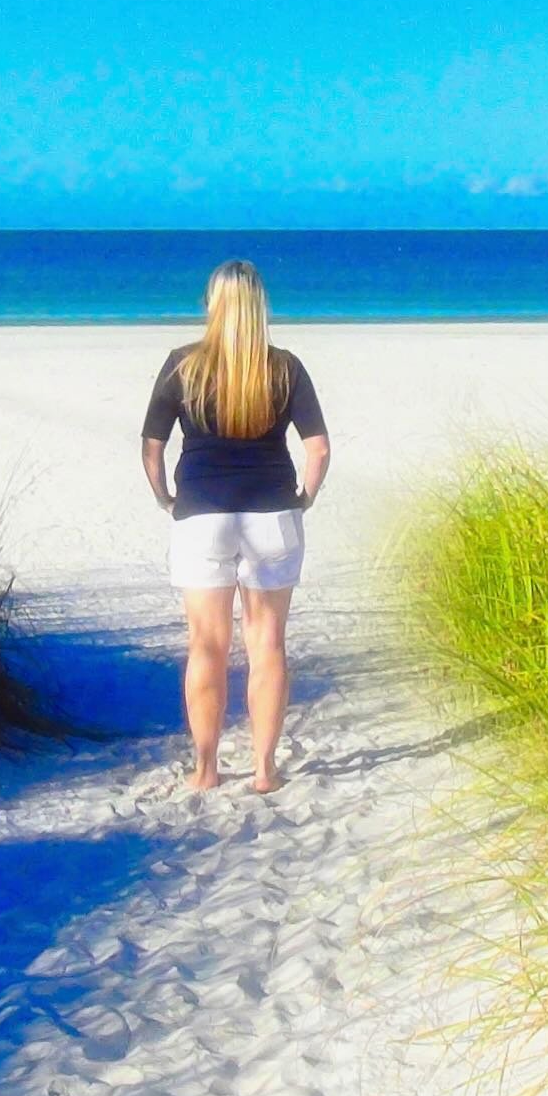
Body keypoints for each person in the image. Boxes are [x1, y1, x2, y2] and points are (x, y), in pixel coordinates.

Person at [141, 260, 330, 793]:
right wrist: (305, 497)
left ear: (212, 305)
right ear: (260, 306)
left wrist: (165, 498)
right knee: (267, 642)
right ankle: (265, 769)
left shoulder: (184, 365)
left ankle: (206, 768)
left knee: (207, 644)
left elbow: (152, 448)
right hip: (272, 512)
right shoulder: (285, 368)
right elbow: (317, 449)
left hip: (202, 514)